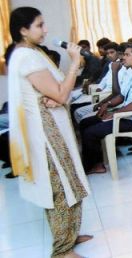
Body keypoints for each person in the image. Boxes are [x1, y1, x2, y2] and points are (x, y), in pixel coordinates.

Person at [7, 7, 92, 258]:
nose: (45, 30)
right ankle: (62, 250)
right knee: (61, 187)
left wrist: (57, 96)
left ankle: (70, 235)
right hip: (47, 135)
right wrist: (75, 64)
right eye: (39, 25)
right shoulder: (26, 56)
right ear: (23, 30)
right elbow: (61, 92)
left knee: (70, 181)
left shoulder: (32, 52)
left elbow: (56, 92)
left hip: (55, 128)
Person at [79, 44, 132, 174]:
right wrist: (107, 104)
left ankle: (97, 165)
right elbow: (121, 96)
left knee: (90, 132)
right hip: (125, 115)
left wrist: (115, 114)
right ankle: (91, 160)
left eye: (127, 55)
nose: (123, 58)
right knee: (85, 123)